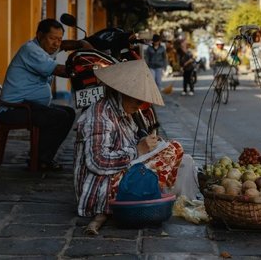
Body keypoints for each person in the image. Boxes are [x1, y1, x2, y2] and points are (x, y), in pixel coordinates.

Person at [74, 59, 184, 220]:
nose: (139, 106)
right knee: (171, 151)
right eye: (137, 100)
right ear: (123, 93)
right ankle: (149, 193)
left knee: (174, 149)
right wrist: (138, 150)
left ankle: (151, 191)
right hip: (102, 188)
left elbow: (129, 143)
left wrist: (150, 145)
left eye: (142, 102)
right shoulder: (100, 115)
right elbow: (97, 161)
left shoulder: (124, 112)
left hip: (120, 173)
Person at [0, 18, 92, 171]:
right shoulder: (31, 50)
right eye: (52, 38)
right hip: (14, 110)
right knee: (59, 117)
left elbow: (63, 46)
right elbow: (60, 70)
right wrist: (90, 68)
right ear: (40, 35)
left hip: (29, 106)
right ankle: (40, 159)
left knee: (68, 112)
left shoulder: (44, 48)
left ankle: (42, 155)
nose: (56, 43)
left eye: (59, 38)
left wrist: (81, 44)